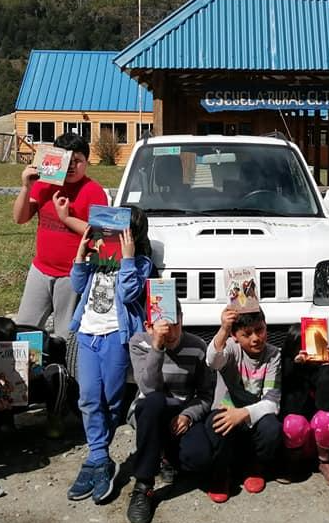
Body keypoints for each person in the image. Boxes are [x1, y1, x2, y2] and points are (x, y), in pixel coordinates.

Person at [67, 207, 153, 505]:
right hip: (88, 334)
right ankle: (99, 457)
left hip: (115, 338)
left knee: (112, 398)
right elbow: (77, 286)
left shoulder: (140, 262)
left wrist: (127, 256)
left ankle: (98, 456)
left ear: (133, 233)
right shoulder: (97, 259)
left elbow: (129, 293)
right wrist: (81, 253)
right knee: (88, 397)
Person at [125, 300, 215, 523]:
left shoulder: (197, 346)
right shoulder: (139, 343)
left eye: (175, 324)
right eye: (163, 325)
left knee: (199, 458)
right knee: (154, 401)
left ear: (182, 320)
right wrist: (157, 346)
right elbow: (148, 388)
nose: (170, 331)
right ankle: (143, 485)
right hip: (150, 410)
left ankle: (168, 456)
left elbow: (205, 394)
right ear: (149, 325)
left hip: (181, 412)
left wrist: (188, 415)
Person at [13, 132, 107, 334]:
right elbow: (19, 218)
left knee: (66, 334)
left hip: (71, 275)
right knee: (24, 330)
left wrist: (66, 219)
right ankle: (29, 366)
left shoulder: (94, 191)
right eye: (67, 160)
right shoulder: (44, 184)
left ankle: (63, 366)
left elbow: (102, 236)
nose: (72, 166)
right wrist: (26, 188)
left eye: (78, 160)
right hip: (40, 269)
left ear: (87, 162)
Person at [202, 306, 282, 503]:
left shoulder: (273, 355)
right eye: (247, 334)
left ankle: (254, 466)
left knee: (272, 427)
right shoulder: (230, 348)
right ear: (235, 336)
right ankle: (221, 473)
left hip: (251, 415)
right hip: (226, 411)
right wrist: (223, 329)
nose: (255, 338)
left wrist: (243, 413)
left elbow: (272, 402)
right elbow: (212, 361)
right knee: (218, 422)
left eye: (260, 330)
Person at [277, 323, 329, 487]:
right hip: (296, 442)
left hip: (322, 443)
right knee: (293, 421)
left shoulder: (326, 369)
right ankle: (294, 462)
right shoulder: (285, 367)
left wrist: (325, 367)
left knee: (327, 418)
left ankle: (326, 462)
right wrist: (297, 368)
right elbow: (293, 409)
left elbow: (326, 405)